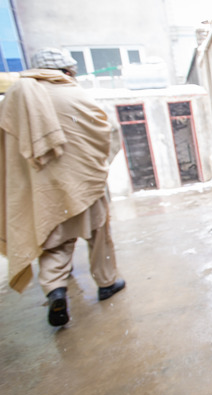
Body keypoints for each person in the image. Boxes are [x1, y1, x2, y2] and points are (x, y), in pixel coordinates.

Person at [0, 48, 125, 327]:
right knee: (98, 233)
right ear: (67, 72)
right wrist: (96, 164)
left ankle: (56, 290)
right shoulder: (74, 94)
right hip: (83, 182)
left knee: (54, 243)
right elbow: (109, 132)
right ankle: (106, 283)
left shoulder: (14, 98)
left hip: (42, 190)